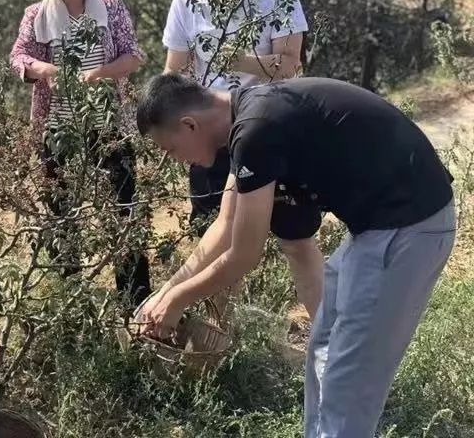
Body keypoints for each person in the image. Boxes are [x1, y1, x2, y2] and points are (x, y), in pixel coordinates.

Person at [136, 73, 455, 438]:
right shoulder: (247, 113)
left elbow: (244, 254)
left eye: (171, 150)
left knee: (348, 383)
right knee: (323, 348)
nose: (178, 161)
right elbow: (226, 227)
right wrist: (164, 294)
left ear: (189, 124)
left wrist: (178, 299)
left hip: (407, 228)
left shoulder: (256, 129)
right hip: (377, 230)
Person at [162, 0, 323, 316]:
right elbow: (176, 71)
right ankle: (216, 345)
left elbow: (290, 65)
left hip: (272, 131)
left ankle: (327, 335)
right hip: (212, 136)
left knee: (295, 239)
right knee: (213, 237)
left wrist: (237, 59)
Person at [10, 0, 150, 307]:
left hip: (108, 126)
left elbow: (133, 55)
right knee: (62, 215)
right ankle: (71, 302)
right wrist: (48, 70)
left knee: (124, 208)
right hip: (57, 130)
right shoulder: (36, 15)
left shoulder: (110, 4)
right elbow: (19, 58)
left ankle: (134, 301)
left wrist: (98, 74)